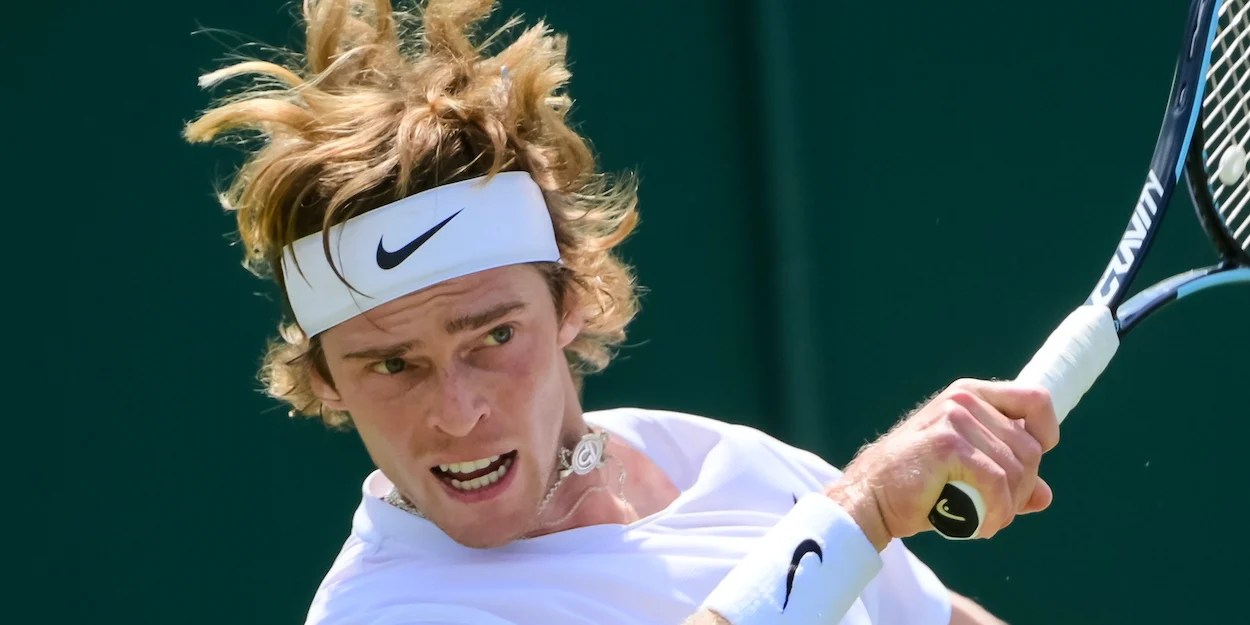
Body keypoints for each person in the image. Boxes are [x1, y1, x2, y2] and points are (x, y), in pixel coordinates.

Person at [185, 1, 1059, 623]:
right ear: (326, 382)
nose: (456, 411)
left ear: (570, 300)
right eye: (392, 364)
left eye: (493, 335)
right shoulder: (383, 610)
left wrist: (851, 514)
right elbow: (851, 519)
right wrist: (862, 507)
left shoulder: (728, 463)